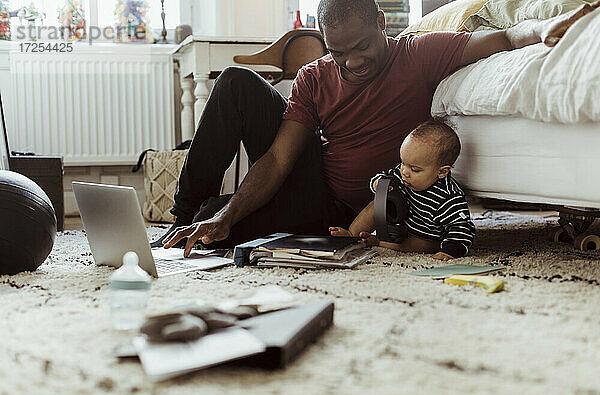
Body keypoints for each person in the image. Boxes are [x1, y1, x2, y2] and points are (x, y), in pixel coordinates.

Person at [162, 0, 599, 257]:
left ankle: (206, 216)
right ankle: (185, 213)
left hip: (357, 209)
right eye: (338, 53)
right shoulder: (315, 77)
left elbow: (502, 38)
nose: (351, 62)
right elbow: (278, 158)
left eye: (361, 47)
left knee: (215, 223)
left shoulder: (419, 54)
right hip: (316, 187)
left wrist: (543, 27)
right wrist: (229, 213)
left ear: (382, 25)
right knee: (236, 87)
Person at [329, 120, 475, 261]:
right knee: (376, 204)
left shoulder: (449, 198)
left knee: (423, 244)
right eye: (403, 163)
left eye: (414, 169)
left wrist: (451, 250)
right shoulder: (402, 174)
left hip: (425, 236)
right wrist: (379, 184)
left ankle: (379, 242)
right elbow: (383, 177)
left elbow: (462, 228)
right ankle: (351, 234)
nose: (404, 171)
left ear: (442, 172)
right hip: (398, 226)